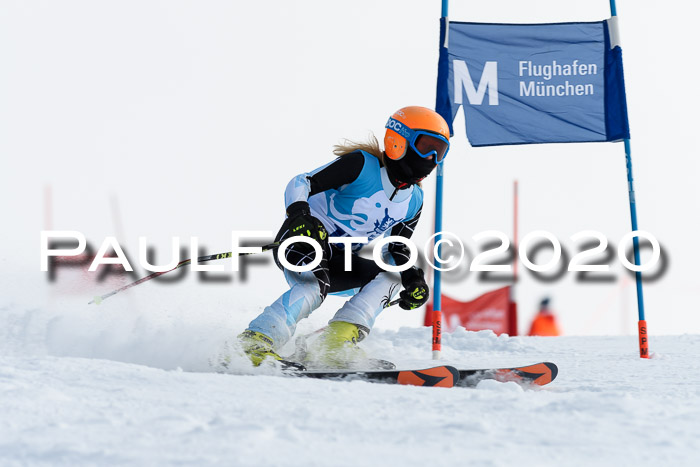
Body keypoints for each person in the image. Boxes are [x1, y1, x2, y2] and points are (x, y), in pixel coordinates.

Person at [238, 106, 451, 369]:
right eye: (426, 147)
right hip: (303, 238)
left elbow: (396, 248)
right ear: (399, 141)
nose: (431, 158)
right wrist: (300, 215)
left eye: (440, 152)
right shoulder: (362, 165)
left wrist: (412, 277)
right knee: (315, 285)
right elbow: (301, 181)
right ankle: (254, 342)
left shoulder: (414, 200)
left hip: (342, 258)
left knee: (392, 274)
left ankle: (334, 343)